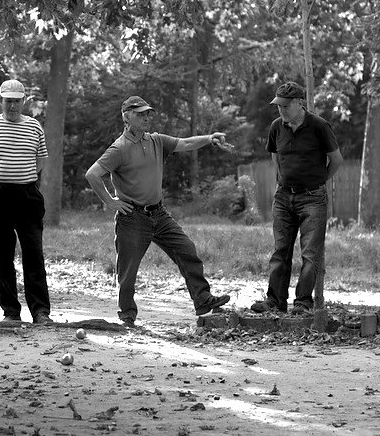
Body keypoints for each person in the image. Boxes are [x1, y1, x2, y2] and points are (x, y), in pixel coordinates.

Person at [85, 95, 232, 327]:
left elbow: (185, 143)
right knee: (128, 270)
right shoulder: (119, 148)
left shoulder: (155, 140)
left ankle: (203, 301)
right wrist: (111, 202)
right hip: (132, 217)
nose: (146, 117)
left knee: (187, 250)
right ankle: (127, 316)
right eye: (140, 114)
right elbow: (92, 174)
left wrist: (209, 138)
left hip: (159, 214)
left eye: (147, 113)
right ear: (126, 117)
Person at [251, 82, 343, 315]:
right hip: (283, 196)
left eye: (285, 105)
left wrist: (320, 181)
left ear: (299, 103)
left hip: (312, 197)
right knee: (280, 250)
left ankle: (303, 302)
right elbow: (275, 156)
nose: (280, 110)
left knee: (310, 253)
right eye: (278, 105)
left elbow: (337, 159)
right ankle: (275, 300)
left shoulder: (319, 126)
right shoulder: (276, 127)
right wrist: (284, 179)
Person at [0, 79, 53, 324]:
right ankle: (11, 312)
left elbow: (40, 161)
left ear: (23, 101)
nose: (12, 106)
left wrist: (21, 177)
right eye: (8, 101)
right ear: (1, 101)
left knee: (33, 252)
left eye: (17, 101)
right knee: (1, 255)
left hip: (27, 195)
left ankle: (40, 311)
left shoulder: (34, 127)